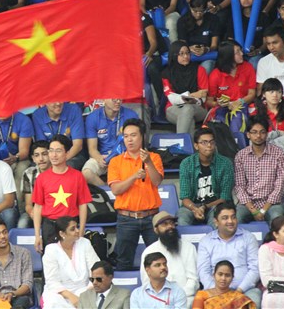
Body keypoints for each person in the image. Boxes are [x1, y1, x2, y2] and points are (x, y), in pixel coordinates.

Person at [107, 118, 164, 270]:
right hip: (126, 218)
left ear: (142, 137)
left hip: (151, 216)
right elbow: (116, 190)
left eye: (133, 135)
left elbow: (157, 181)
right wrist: (134, 177)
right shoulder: (116, 161)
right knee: (123, 262)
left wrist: (149, 162)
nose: (129, 140)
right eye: (126, 136)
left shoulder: (154, 157)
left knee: (158, 260)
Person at [33, 134, 92, 252]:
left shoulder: (77, 176)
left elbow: (82, 204)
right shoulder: (41, 178)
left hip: (70, 226)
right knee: (50, 261)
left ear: (67, 153)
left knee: (73, 259)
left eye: (58, 151)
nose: (53, 155)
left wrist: (81, 230)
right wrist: (37, 235)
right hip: (49, 226)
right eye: (51, 151)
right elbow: (38, 206)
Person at [197, 202, 261, 307]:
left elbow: (255, 269)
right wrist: (218, 292)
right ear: (216, 222)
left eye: (233, 217)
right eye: (225, 218)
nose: (230, 221)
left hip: (244, 290)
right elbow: (203, 271)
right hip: (214, 291)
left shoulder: (248, 238)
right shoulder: (206, 241)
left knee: (254, 299)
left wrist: (239, 290)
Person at [140, 211, 199, 307]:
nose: (170, 227)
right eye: (165, 224)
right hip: (158, 300)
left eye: (172, 223)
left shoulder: (188, 247)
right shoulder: (149, 251)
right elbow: (147, 282)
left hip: (185, 298)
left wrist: (177, 296)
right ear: (156, 230)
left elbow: (193, 280)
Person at [234, 116, 284, 224]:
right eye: (254, 132)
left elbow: (280, 186)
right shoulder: (241, 156)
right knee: (237, 217)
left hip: (272, 204)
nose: (258, 136)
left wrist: (263, 210)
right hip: (248, 204)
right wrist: (253, 210)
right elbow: (239, 186)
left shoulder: (278, 153)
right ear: (248, 135)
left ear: (267, 134)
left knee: (277, 217)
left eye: (262, 132)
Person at [177, 127, 234, 227]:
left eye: (212, 142)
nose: (209, 145)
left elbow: (225, 197)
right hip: (192, 206)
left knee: (217, 221)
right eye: (204, 142)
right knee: (182, 219)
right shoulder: (186, 164)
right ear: (196, 146)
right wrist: (195, 209)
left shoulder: (225, 163)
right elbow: (185, 197)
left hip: (217, 205)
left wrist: (204, 207)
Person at [41, 217, 100, 308]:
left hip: (86, 289)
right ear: (62, 233)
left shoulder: (85, 243)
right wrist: (71, 296)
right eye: (73, 229)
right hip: (59, 292)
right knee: (54, 303)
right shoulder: (51, 250)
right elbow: (52, 281)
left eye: (77, 227)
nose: (77, 230)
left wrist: (85, 293)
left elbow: (97, 270)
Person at [206, 40, 256, 148]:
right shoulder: (216, 74)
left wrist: (240, 101)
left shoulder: (248, 67)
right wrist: (218, 103)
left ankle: (239, 151)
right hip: (222, 108)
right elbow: (209, 101)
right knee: (220, 121)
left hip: (242, 105)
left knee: (237, 119)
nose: (241, 53)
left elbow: (252, 93)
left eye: (240, 50)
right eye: (237, 52)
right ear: (228, 56)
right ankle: (222, 151)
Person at [0, 111, 34, 206]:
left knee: (21, 170)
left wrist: (15, 158)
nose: (2, 109)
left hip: (19, 158)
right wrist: (0, 161)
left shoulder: (23, 120)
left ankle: (20, 206)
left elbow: (24, 151)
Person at [82, 99, 138, 186]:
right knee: (86, 174)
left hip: (125, 156)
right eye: (114, 99)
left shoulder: (131, 115)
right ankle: (107, 191)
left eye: (119, 98)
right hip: (103, 156)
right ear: (104, 99)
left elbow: (137, 143)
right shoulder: (93, 117)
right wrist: (99, 158)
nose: (118, 101)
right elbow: (92, 149)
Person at [0, 218, 33, 309]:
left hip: (19, 295)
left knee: (21, 303)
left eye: (5, 232)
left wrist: (12, 294)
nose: (3, 236)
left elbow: (27, 284)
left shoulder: (23, 253)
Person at [161, 41, 208, 139]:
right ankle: (188, 146)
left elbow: (203, 97)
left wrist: (183, 98)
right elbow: (172, 99)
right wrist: (192, 95)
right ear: (174, 55)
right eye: (181, 54)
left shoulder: (199, 70)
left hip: (198, 109)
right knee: (188, 114)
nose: (186, 56)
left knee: (188, 109)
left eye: (187, 53)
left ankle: (180, 143)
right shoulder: (166, 73)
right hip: (173, 109)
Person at [225, 0, 271, 68]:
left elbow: (266, 42)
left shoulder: (263, 17)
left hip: (256, 54)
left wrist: (258, 50)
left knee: (254, 63)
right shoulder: (234, 17)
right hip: (238, 53)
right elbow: (230, 39)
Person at [31, 102, 86, 170]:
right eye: (53, 101)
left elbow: (78, 145)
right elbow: (42, 146)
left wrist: (58, 162)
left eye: (60, 99)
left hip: (71, 154)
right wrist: (52, 161)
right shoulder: (38, 115)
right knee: (34, 168)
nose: (58, 103)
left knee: (65, 166)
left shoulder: (73, 110)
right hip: (49, 155)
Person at [176, 0, 221, 74]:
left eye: (201, 11)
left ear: (206, 9)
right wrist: (190, 49)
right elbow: (182, 44)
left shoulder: (213, 19)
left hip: (208, 55)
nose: (198, 14)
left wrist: (206, 49)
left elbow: (214, 45)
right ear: (190, 7)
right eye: (195, 11)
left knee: (206, 67)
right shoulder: (182, 21)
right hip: (189, 55)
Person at [252, 78, 284, 155]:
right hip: (263, 150)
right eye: (271, 92)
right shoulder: (257, 113)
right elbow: (256, 137)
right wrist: (280, 133)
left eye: (279, 92)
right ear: (263, 94)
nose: (275, 95)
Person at [192, 260, 256, 309]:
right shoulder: (202, 295)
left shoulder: (238, 299)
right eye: (220, 274)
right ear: (214, 275)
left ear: (232, 277)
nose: (223, 278)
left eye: (227, 275)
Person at [18, 140, 50, 229]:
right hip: (36, 210)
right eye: (37, 155)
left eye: (44, 154)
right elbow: (28, 204)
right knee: (22, 224)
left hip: (55, 211)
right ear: (33, 158)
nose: (41, 159)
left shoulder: (58, 172)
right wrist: (32, 213)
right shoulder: (29, 173)